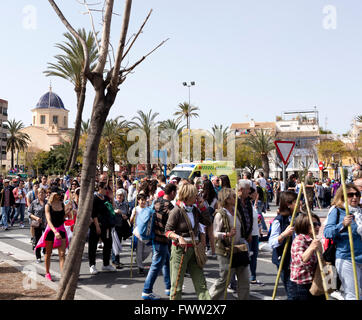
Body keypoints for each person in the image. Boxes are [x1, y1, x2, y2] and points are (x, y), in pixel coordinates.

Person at [165, 183, 212, 300]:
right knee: (177, 285)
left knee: (201, 284)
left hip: (194, 249)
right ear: (187, 196)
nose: (197, 197)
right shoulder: (176, 211)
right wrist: (178, 237)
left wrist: (202, 207)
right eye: (195, 195)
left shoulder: (195, 209)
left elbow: (207, 221)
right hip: (180, 251)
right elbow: (167, 231)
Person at [209, 188, 250, 300]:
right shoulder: (220, 214)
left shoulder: (236, 211)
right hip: (225, 251)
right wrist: (227, 234)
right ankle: (209, 298)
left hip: (238, 249)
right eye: (233, 197)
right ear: (227, 199)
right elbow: (215, 233)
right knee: (224, 280)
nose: (236, 198)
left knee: (245, 279)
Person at [324, 183, 362, 300]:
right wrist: (342, 224)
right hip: (347, 258)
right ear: (343, 196)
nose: (354, 197)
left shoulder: (360, 212)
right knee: (353, 295)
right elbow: (328, 232)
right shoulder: (337, 211)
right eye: (350, 195)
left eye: (357, 194)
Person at [142, 183, 177, 300]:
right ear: (172, 192)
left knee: (166, 262)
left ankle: (169, 288)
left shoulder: (156, 202)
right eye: (175, 192)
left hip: (154, 237)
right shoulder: (170, 207)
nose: (175, 194)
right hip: (162, 239)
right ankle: (147, 291)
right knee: (156, 265)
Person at [268, 191, 300, 299]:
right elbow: (272, 243)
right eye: (296, 201)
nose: (300, 203)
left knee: (300, 292)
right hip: (285, 261)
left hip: (300, 260)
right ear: (288, 204)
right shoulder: (279, 220)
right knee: (291, 291)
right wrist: (284, 234)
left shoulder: (300, 217)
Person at [35, 187, 70, 281]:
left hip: (61, 229)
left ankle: (63, 275)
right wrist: (55, 231)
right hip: (51, 231)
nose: (60, 195)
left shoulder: (62, 204)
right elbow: (48, 220)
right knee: (48, 253)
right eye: (59, 194)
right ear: (54, 194)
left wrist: (68, 211)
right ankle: (47, 272)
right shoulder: (48, 205)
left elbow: (62, 217)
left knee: (62, 254)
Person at [290, 212, 324, 300]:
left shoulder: (315, 240)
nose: (317, 227)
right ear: (304, 225)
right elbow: (300, 261)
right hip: (301, 286)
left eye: (318, 224)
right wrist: (311, 248)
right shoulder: (299, 239)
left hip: (315, 282)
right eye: (314, 224)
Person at [88, 181, 116, 275]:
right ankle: (92, 265)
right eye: (105, 188)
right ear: (99, 188)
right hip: (97, 224)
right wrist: (96, 226)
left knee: (108, 243)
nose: (106, 190)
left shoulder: (106, 198)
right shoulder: (94, 198)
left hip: (106, 224)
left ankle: (106, 264)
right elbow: (94, 213)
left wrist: (112, 198)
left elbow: (112, 209)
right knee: (93, 245)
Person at [130, 193, 152, 275]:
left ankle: (139, 260)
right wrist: (134, 215)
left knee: (148, 250)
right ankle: (140, 267)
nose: (143, 201)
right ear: (138, 201)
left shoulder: (148, 209)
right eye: (141, 200)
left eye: (144, 200)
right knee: (139, 250)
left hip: (146, 232)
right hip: (138, 232)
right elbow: (131, 221)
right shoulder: (136, 209)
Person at [249, 187, 264, 286]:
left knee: (254, 257)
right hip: (249, 235)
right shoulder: (245, 205)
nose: (256, 195)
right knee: (249, 257)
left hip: (255, 234)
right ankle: (248, 277)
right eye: (255, 193)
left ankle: (252, 277)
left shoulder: (251, 205)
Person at [112, 188, 129, 269]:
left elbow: (127, 213)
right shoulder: (114, 203)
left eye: (121, 195)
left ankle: (117, 260)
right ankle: (114, 261)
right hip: (115, 225)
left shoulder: (125, 204)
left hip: (122, 225)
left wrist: (125, 216)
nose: (119, 196)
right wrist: (115, 211)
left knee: (119, 243)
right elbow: (111, 210)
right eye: (118, 195)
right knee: (115, 243)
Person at [28, 188, 47, 263]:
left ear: (45, 194)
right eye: (39, 193)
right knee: (38, 240)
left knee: (47, 240)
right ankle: (38, 256)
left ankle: (45, 252)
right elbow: (29, 213)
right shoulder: (34, 202)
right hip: (37, 224)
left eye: (42, 192)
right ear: (37, 194)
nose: (41, 194)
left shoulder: (48, 202)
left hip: (46, 224)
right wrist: (36, 218)